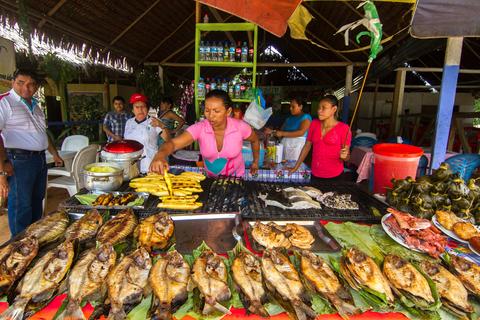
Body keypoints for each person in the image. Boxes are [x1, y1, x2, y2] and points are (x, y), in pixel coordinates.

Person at [0, 69, 63, 236]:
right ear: (12, 82)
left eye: (31, 84)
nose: (26, 87)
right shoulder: (4, 102)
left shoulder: (36, 105)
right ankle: (19, 245)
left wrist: (54, 153)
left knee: (37, 201)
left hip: (39, 160)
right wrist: (2, 168)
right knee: (21, 205)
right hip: (18, 160)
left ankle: (34, 238)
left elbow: (42, 133)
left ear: (36, 87)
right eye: (21, 82)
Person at [150, 89, 260, 177]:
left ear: (228, 112)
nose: (210, 116)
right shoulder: (200, 128)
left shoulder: (240, 127)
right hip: (210, 181)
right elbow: (172, 144)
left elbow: (255, 140)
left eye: (216, 111)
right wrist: (160, 155)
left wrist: (255, 161)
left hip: (236, 180)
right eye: (207, 110)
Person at [289, 95, 351, 180]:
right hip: (315, 173)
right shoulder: (314, 124)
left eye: (323, 108)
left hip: (335, 176)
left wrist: (344, 156)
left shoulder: (344, 128)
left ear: (334, 109)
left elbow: (347, 156)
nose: (319, 111)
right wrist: (296, 167)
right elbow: (307, 146)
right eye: (319, 107)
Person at [124, 93, 170, 173]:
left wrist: (162, 126)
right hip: (131, 166)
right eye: (137, 107)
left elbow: (168, 139)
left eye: (143, 106)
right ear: (132, 110)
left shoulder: (154, 121)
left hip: (149, 165)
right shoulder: (129, 123)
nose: (140, 109)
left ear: (148, 109)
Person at [264, 96, 312, 161]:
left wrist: (282, 133)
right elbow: (280, 131)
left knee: (293, 165)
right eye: (290, 106)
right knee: (283, 165)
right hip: (285, 144)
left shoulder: (306, 117)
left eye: (293, 107)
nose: (290, 109)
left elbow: (301, 132)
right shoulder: (289, 118)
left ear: (300, 106)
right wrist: (271, 131)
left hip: (296, 145)